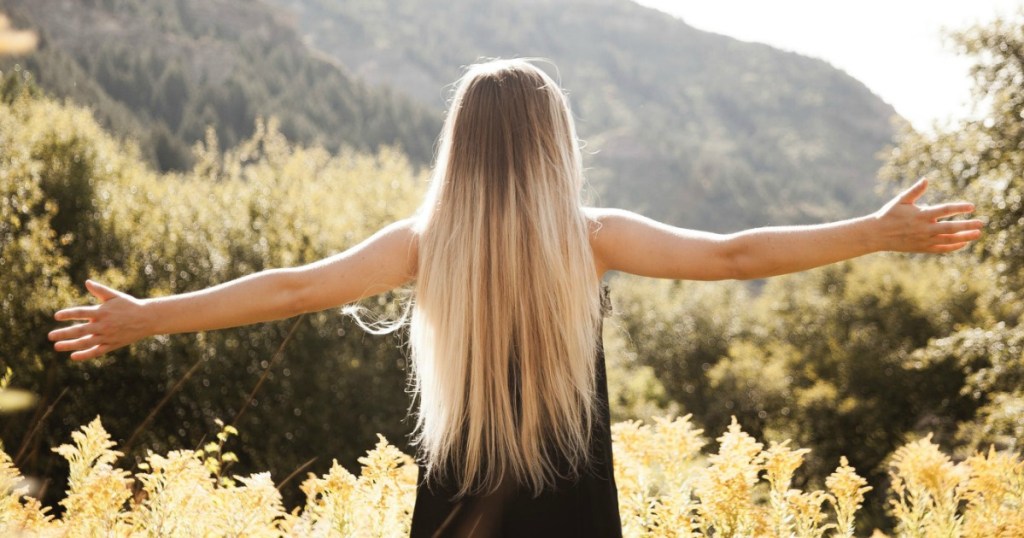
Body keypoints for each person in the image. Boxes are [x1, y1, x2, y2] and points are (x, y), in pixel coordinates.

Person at [49, 59, 983, 537]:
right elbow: (737, 255)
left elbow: (291, 289)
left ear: (461, 146)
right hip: (574, 518)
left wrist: (146, 317)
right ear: (553, 146)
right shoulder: (591, 238)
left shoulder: (422, 246)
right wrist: (871, 231)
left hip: (458, 516)